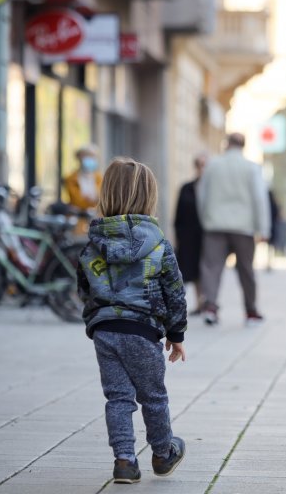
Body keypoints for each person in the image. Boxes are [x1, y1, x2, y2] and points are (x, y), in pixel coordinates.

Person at [77, 157, 187, 484]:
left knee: (118, 397)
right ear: (149, 196)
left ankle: (124, 461)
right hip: (142, 330)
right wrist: (176, 332)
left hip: (105, 332)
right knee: (153, 395)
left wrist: (99, 315)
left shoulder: (94, 243)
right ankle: (163, 452)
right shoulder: (158, 244)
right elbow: (174, 291)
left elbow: (84, 287)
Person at [197, 132, 270, 326]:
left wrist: (205, 218)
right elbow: (259, 199)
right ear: (243, 146)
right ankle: (251, 310)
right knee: (246, 269)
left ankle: (210, 307)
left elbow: (202, 194)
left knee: (212, 267)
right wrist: (263, 229)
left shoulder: (212, 165)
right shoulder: (251, 168)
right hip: (243, 226)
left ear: (227, 144)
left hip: (215, 224)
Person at [173, 152, 208, 314]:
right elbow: (178, 215)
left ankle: (206, 302)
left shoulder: (214, 189)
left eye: (205, 165)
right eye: (200, 165)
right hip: (188, 236)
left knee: (205, 269)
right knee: (189, 270)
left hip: (207, 236)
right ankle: (194, 303)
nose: (202, 169)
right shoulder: (186, 188)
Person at [64, 144, 103, 212]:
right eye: (87, 156)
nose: (91, 159)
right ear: (79, 158)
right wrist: (94, 199)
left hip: (96, 215)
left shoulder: (99, 177)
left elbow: (103, 199)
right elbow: (77, 201)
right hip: (77, 216)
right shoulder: (71, 178)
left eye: (93, 156)